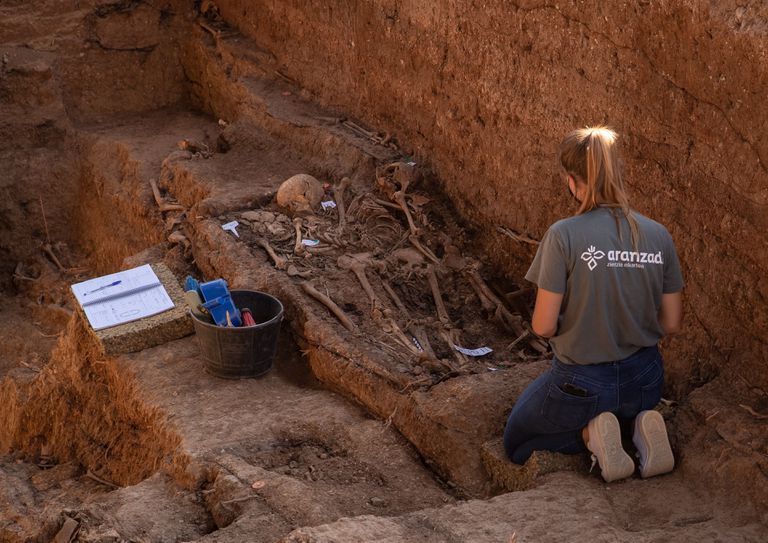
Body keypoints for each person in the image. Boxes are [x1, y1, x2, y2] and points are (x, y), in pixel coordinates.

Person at [503, 126, 684, 483]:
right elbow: (672, 322)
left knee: (517, 441)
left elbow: (543, 326)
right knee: (624, 400)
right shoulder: (658, 234)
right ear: (618, 171)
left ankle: (591, 435)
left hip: (582, 383)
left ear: (571, 180)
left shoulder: (563, 235)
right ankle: (639, 427)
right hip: (646, 379)